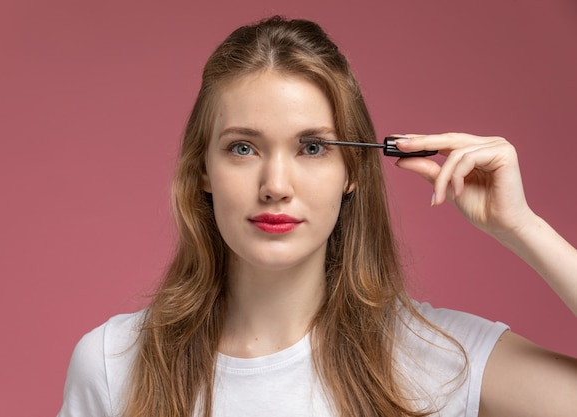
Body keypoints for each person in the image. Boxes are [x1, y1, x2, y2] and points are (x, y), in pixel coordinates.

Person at [57, 16, 577, 417]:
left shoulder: (439, 357)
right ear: (203, 172)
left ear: (352, 169)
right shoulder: (114, 362)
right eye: (242, 148)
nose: (276, 186)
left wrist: (522, 228)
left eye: (311, 148)